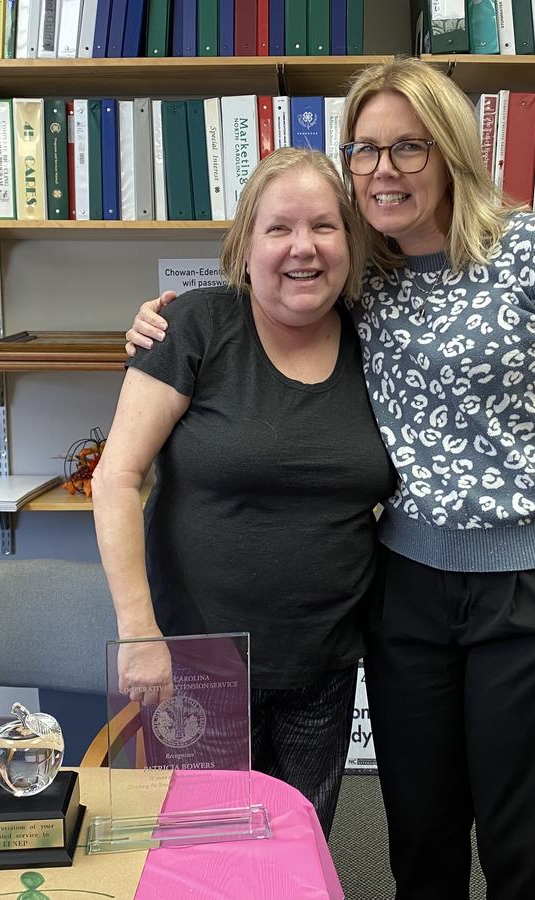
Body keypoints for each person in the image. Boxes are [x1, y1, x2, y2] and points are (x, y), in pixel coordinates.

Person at [124, 59, 535, 900]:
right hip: (405, 592)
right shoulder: (363, 272)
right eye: (363, 150)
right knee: (420, 838)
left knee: (526, 849)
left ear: (449, 150)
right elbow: (266, 300)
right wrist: (160, 321)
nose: (383, 169)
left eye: (408, 146)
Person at [92, 146, 397, 838]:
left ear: (349, 242)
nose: (303, 247)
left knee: (298, 841)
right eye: (278, 227)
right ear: (245, 245)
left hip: (324, 660)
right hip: (198, 664)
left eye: (324, 226)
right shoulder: (193, 327)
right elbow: (115, 477)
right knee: (204, 848)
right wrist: (139, 634)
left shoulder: (375, 343)